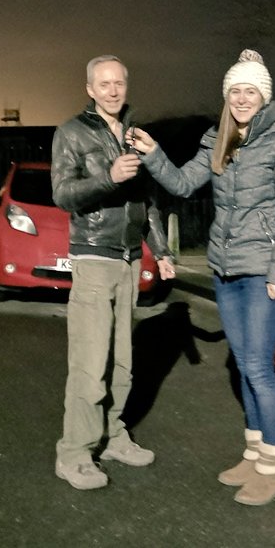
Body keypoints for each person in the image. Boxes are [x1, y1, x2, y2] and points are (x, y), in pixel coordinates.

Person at [128, 49, 275, 506]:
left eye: (250, 92)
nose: (242, 99)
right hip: (225, 266)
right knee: (244, 364)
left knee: (258, 369)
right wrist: (153, 155)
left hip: (263, 270)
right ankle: (253, 453)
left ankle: (274, 467)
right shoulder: (220, 138)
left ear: (264, 97)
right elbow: (184, 184)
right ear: (227, 97)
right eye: (235, 92)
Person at [51, 54, 176, 491]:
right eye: (103, 83)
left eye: (119, 82)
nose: (112, 90)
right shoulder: (70, 132)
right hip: (93, 257)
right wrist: (108, 176)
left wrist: (159, 249)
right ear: (90, 88)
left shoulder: (135, 134)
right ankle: (75, 452)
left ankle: (113, 436)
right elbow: (63, 193)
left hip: (128, 260)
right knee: (89, 362)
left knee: (122, 361)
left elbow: (149, 197)